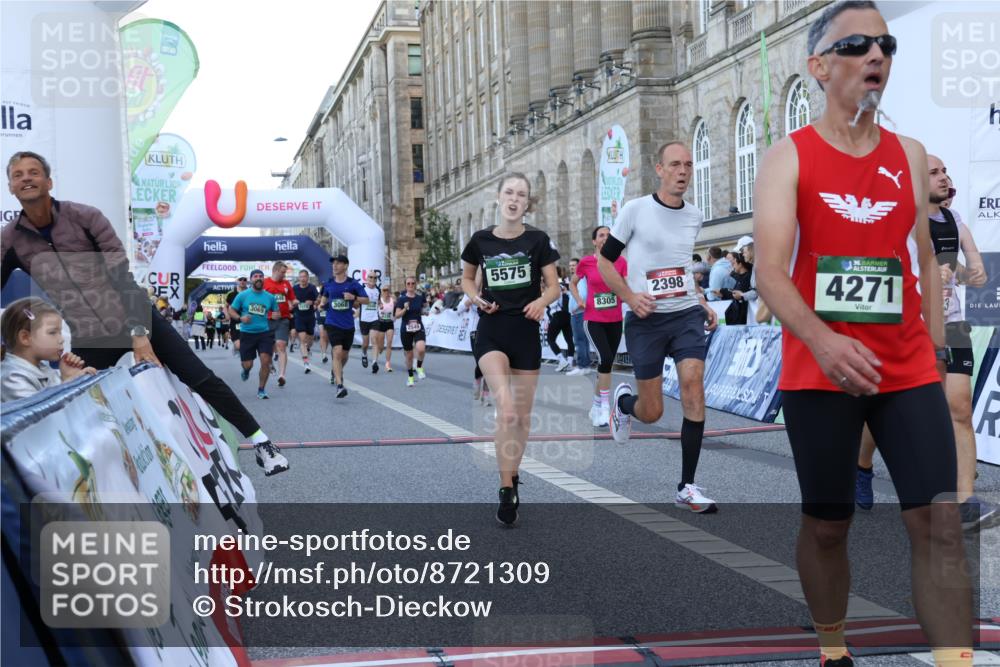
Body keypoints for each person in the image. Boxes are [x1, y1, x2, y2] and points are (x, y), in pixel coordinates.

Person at [752, 3, 972, 665]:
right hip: (819, 371)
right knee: (828, 526)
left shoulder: (907, 155)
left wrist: (931, 346)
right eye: (855, 44)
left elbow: (925, 261)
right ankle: (832, 645)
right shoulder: (787, 158)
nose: (875, 54)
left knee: (938, 523)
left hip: (905, 366)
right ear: (819, 67)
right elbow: (768, 272)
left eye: (885, 43)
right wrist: (822, 339)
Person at [1, 152, 287, 475]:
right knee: (80, 408)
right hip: (89, 334)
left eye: (34, 172)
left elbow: (121, 276)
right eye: (18, 175)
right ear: (11, 186)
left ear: (48, 182)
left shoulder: (84, 217)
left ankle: (262, 442)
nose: (26, 178)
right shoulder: (9, 240)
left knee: (199, 377)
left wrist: (139, 333)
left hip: (134, 315)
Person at [855, 156, 995, 530]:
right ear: (917, 183)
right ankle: (862, 464)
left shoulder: (953, 220)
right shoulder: (901, 220)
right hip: (912, 326)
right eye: (934, 173)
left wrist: (963, 271)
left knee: (961, 409)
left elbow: (976, 274)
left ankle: (965, 501)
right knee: (884, 407)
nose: (944, 177)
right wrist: (928, 273)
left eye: (945, 170)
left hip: (952, 324)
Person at [600, 142, 720, 514]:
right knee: (650, 411)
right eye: (675, 165)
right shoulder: (636, 210)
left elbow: (680, 266)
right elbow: (605, 262)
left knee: (692, 386)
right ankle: (623, 404)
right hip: (646, 319)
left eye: (688, 165)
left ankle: (687, 486)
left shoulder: (695, 216)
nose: (683, 171)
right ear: (659, 169)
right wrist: (630, 297)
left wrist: (700, 300)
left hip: (685, 314)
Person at [461, 172, 560, 526]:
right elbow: (467, 278)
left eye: (521, 194)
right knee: (505, 408)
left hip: (526, 333)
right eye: (509, 192)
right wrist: (475, 298)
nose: (514, 199)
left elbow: (554, 286)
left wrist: (541, 302)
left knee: (521, 416)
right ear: (499, 197)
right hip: (492, 331)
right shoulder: (481, 240)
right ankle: (506, 488)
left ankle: (513, 473)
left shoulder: (538, 240)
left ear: (527, 202)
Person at [570, 225, 627, 428]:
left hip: (615, 319)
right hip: (593, 319)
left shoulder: (620, 262)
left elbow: (625, 286)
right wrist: (580, 301)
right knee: (605, 358)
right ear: (594, 241)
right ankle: (604, 407)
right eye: (601, 235)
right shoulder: (586, 262)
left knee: (606, 365)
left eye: (609, 235)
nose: (605, 238)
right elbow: (572, 283)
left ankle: (595, 406)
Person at [1, 298, 96, 401]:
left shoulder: (44, 368)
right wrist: (68, 383)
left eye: (60, 332)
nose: (61, 339)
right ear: (25, 338)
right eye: (52, 333)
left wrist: (66, 377)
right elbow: (37, 411)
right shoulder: (12, 377)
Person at [320, 254, 369, 398]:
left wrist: (353, 297)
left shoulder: (353, 284)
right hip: (332, 322)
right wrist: (322, 306)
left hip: (347, 324)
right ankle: (339, 385)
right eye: (333, 263)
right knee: (337, 351)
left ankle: (336, 371)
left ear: (345, 266)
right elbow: (322, 302)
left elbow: (366, 300)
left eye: (338, 263)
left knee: (344, 355)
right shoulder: (328, 283)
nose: (334, 266)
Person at [229, 269, 280, 402]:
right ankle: (246, 371)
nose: (258, 278)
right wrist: (240, 318)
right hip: (247, 334)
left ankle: (261, 389)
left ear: (264, 279)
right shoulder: (243, 295)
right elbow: (231, 310)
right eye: (255, 276)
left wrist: (276, 315)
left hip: (264, 333)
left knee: (265, 361)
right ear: (251, 280)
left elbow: (276, 313)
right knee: (248, 365)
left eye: (261, 276)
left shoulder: (270, 297)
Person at [262, 261, 297, 388]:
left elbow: (292, 298)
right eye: (282, 272)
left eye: (285, 272)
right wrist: (269, 315)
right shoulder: (265, 283)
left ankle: (282, 375)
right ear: (275, 270)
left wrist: (294, 302)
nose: (284, 275)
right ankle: (270, 363)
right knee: (268, 347)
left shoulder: (287, 284)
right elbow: (257, 301)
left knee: (281, 345)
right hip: (266, 320)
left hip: (283, 319)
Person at [395, 277, 429, 387]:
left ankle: (419, 367)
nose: (410, 285)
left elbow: (424, 308)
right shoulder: (401, 299)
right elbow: (396, 315)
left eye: (412, 283)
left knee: (421, 348)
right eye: (408, 283)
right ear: (405, 285)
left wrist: (425, 312)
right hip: (406, 329)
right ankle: (410, 377)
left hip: (418, 327)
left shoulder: (420, 298)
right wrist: (405, 309)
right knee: (409, 356)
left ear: (415, 284)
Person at [545, 267, 576, 372]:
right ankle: (570, 363)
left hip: (558, 314)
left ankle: (562, 361)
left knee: (550, 339)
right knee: (569, 340)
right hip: (567, 315)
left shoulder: (554, 285)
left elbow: (552, 303)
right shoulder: (565, 284)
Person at [566, 257, 592, 377]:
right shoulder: (580, 278)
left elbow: (583, 294)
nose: (571, 267)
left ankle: (582, 366)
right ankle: (585, 365)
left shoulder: (579, 279)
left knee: (579, 340)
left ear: (579, 266)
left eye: (574, 265)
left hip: (578, 313)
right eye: (570, 265)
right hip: (581, 312)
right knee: (584, 340)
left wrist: (575, 308)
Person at [292, 269, 319, 374]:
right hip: (299, 316)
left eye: (304, 277)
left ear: (308, 278)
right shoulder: (294, 288)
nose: (303, 279)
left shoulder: (312, 288)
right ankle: (306, 363)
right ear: (299, 278)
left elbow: (319, 300)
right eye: (301, 277)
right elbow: (290, 300)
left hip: (310, 317)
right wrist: (294, 302)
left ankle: (308, 350)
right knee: (302, 340)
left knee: (310, 341)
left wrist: (312, 302)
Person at [719, 252, 753, 325]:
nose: (732, 266)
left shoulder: (747, 277)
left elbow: (739, 293)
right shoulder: (735, 276)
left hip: (744, 315)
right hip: (736, 314)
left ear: (740, 264)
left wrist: (725, 292)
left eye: (734, 264)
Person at [358, 272, 381, 369]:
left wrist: (381, 306)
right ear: (366, 278)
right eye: (371, 277)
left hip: (374, 318)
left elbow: (379, 302)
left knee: (374, 340)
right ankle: (364, 353)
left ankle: (374, 362)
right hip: (364, 319)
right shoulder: (362, 290)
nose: (373, 279)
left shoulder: (378, 290)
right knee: (365, 343)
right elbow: (357, 302)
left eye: (375, 277)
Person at [372, 285, 396, 373]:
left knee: (389, 344)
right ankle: (376, 358)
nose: (386, 292)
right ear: (381, 291)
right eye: (384, 290)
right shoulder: (379, 300)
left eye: (388, 290)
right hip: (381, 323)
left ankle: (388, 364)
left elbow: (397, 307)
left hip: (389, 323)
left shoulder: (393, 299)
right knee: (381, 347)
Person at [226, 277, 248, 356]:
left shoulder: (251, 293)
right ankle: (237, 347)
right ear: (237, 281)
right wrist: (227, 315)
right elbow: (226, 306)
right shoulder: (231, 294)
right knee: (239, 345)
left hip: (247, 322)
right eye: (240, 279)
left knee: (245, 345)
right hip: (235, 321)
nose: (242, 281)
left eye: (244, 279)